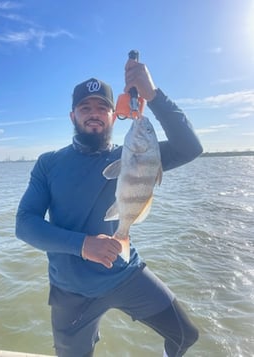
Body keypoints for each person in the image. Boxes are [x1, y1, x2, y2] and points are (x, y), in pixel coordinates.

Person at [15, 57, 203, 357]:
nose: (94, 115)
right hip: (71, 290)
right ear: (72, 116)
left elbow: (190, 147)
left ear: (114, 116)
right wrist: (83, 245)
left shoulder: (137, 154)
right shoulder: (48, 163)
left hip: (125, 273)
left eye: (102, 108)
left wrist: (153, 94)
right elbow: (25, 223)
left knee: (185, 336)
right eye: (85, 108)